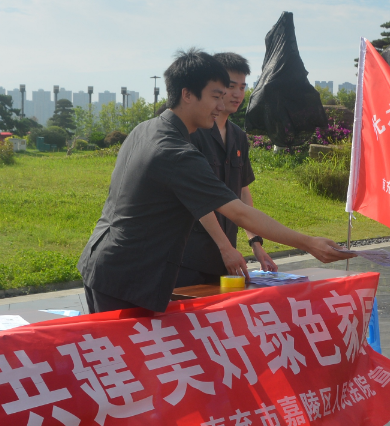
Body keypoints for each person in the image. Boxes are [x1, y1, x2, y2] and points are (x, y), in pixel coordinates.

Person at [78, 48, 350, 314]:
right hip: (129, 275)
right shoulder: (175, 152)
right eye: (216, 96)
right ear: (187, 95)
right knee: (134, 356)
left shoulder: (146, 129)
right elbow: (239, 212)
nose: (222, 105)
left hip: (108, 263)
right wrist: (309, 243)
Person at [176, 52, 276, 288]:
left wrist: (256, 245)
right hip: (187, 258)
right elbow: (197, 198)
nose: (237, 94)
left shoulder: (238, 137)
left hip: (225, 258)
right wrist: (225, 247)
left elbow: (242, 193)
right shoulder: (191, 133)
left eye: (242, 87)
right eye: (230, 86)